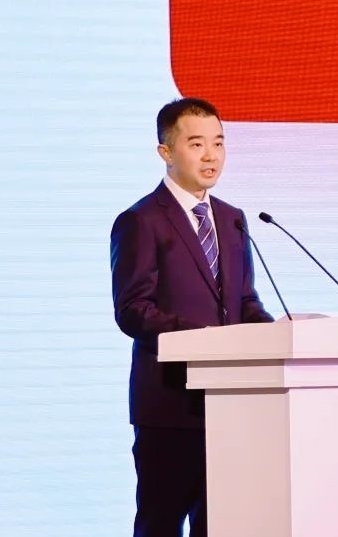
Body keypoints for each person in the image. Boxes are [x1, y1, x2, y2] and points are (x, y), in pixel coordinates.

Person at [110, 97, 273, 537]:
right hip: (170, 406)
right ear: (165, 151)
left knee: (221, 524)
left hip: (231, 403)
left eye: (219, 143)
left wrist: (278, 336)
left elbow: (244, 302)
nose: (211, 156)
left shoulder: (233, 219)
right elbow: (133, 309)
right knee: (161, 524)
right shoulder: (141, 220)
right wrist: (204, 341)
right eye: (197, 144)